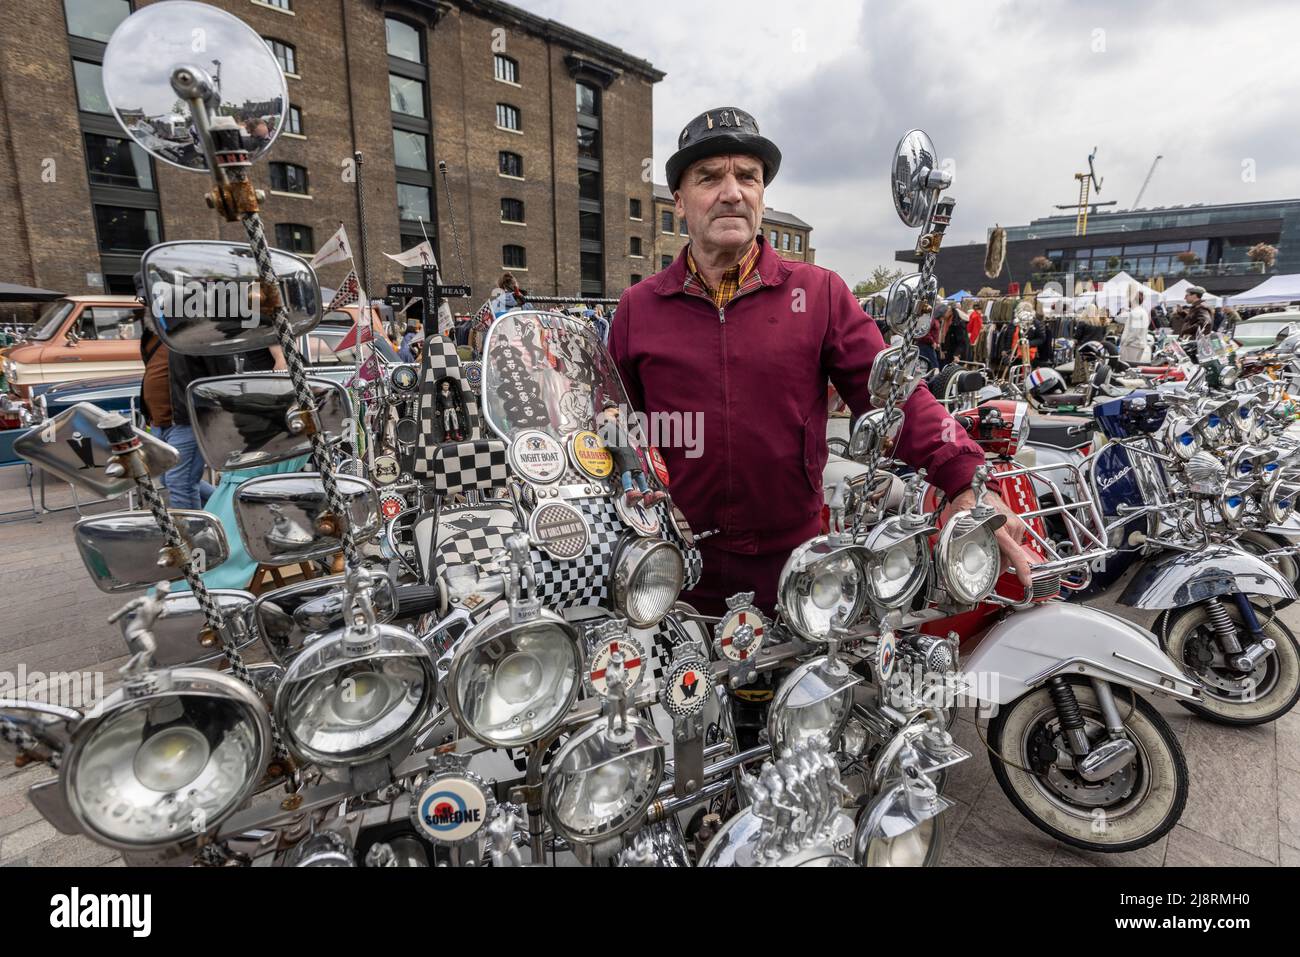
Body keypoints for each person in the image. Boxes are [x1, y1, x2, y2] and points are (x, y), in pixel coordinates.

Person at [609, 106, 1037, 615]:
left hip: (798, 571)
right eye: (708, 178)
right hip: (674, 569)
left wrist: (966, 481)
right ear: (679, 201)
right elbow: (612, 427)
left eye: (747, 176)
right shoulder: (639, 308)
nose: (731, 192)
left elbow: (893, 397)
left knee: (804, 695)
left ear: (762, 196)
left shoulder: (819, 293)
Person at [1119, 290, 1151, 363]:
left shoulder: (1136, 312)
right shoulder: (1143, 311)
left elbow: (1134, 332)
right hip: (1138, 344)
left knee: (1127, 368)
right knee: (1134, 367)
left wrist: (1125, 342)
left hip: (1132, 346)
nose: (1128, 301)